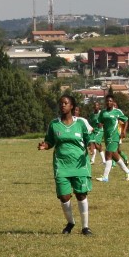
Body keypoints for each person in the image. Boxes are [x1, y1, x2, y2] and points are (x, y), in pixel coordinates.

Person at [39, 94, 94, 235]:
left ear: (72, 106)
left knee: (81, 194)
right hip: (61, 165)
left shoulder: (80, 123)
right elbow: (50, 141)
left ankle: (85, 227)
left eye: (66, 103)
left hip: (80, 164)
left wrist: (91, 145)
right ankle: (71, 222)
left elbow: (89, 138)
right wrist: (45, 145)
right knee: (64, 197)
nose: (63, 105)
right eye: (61, 103)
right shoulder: (54, 124)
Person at [96, 95, 129, 182]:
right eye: (107, 101)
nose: (108, 102)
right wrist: (99, 125)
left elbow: (126, 120)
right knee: (115, 156)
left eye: (110, 101)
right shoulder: (103, 112)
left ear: (113, 102)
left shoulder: (117, 112)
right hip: (107, 136)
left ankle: (105, 177)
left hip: (114, 136)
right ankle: (127, 171)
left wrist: (124, 131)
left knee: (108, 154)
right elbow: (99, 122)